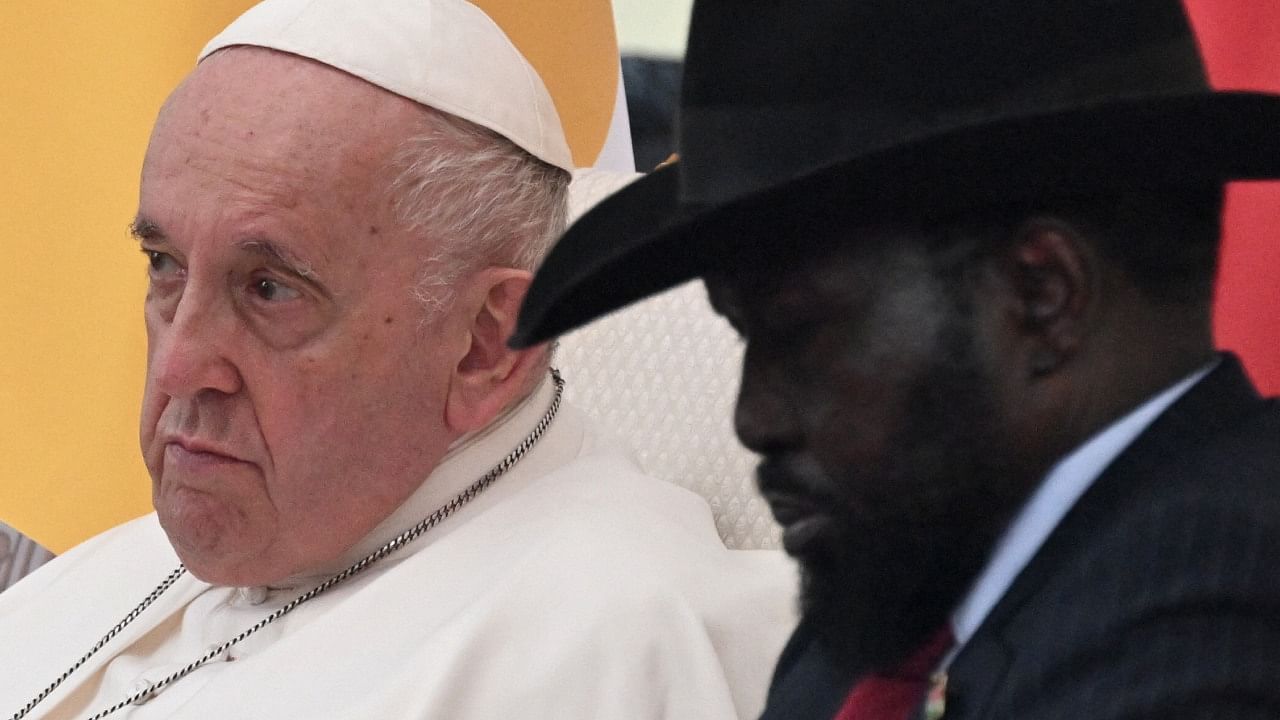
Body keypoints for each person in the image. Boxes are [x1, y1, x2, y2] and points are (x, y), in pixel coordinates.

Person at [0, 1, 798, 718]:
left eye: (270, 290)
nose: (178, 368)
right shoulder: (129, 566)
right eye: (165, 266)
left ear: (487, 343)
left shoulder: (603, 652)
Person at [512, 1, 1280, 718]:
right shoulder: (896, 595)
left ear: (1042, 294)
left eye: (799, 331)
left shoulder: (1224, 626)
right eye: (747, 337)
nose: (755, 418)